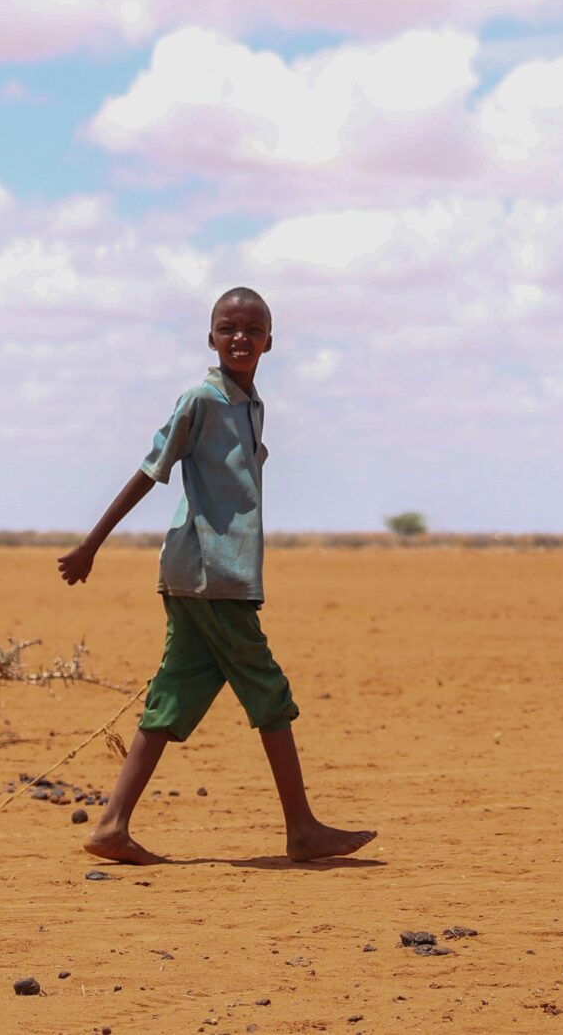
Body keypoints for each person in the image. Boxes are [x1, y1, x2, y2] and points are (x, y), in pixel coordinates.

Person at [57, 287, 375, 865]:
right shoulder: (200, 400)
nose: (240, 338)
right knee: (269, 694)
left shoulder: (252, 407)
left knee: (173, 697)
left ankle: (110, 826)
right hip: (207, 572)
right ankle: (301, 830)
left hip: (220, 576)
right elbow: (150, 471)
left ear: (269, 343)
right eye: (228, 328)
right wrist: (90, 545)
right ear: (210, 338)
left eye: (253, 330)